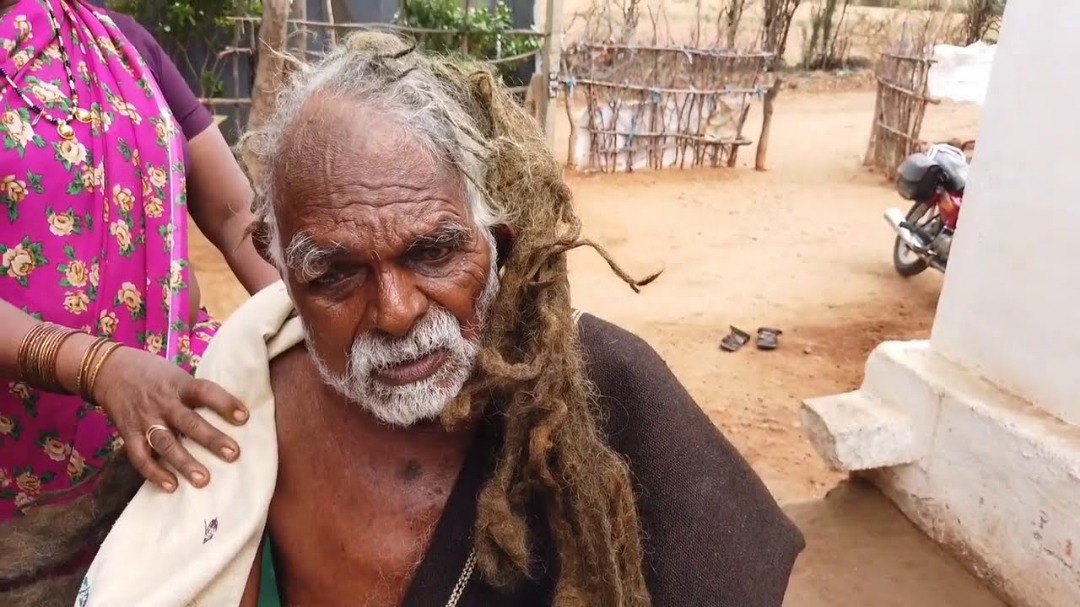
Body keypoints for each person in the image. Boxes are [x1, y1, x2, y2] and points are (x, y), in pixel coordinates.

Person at [0, 32, 804, 607]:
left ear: (497, 242)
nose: (395, 312)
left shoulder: (606, 393)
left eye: (434, 252)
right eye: (335, 273)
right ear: (285, 274)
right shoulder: (246, 420)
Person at [0, 0, 276, 522]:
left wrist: (305, 320)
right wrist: (99, 367)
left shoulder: (123, 45)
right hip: (23, 467)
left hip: (174, 404)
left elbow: (236, 214)